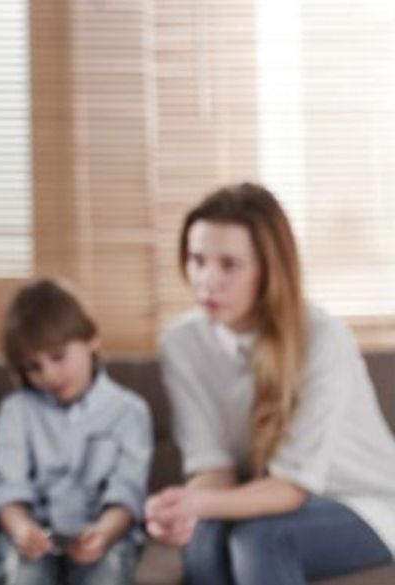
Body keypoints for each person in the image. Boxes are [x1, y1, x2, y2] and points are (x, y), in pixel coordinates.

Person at [146, 183, 395, 584]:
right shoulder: (182, 344)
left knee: (263, 540)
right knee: (204, 537)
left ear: (268, 269)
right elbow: (213, 466)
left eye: (229, 265)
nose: (207, 281)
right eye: (197, 260)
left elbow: (291, 489)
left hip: (362, 501)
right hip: (260, 494)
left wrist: (197, 501)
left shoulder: (323, 338)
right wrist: (181, 509)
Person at [0, 279, 153, 585]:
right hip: (31, 535)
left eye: (58, 357)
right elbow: (7, 486)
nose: (49, 375)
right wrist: (22, 528)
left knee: (108, 570)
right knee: (19, 572)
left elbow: (128, 491)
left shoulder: (129, 411)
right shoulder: (16, 411)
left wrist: (104, 531)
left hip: (104, 534)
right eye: (34, 367)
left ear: (92, 340)